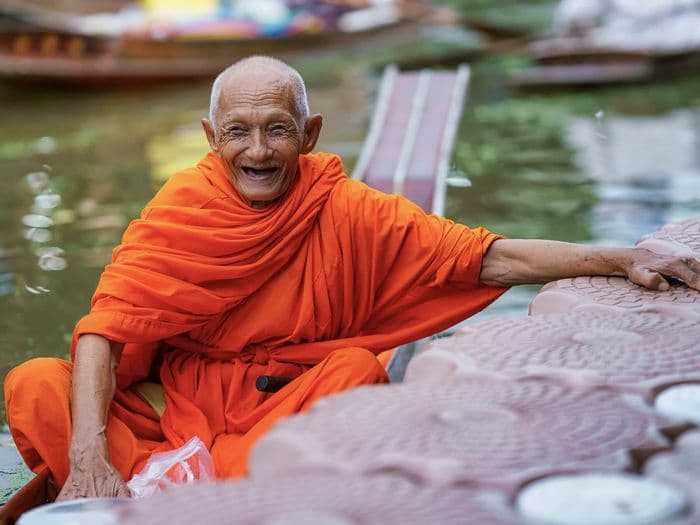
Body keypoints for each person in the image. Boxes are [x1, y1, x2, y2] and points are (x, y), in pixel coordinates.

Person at [5, 56, 699, 501]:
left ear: (309, 135)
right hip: (182, 410)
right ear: (210, 137)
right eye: (237, 132)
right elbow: (105, 329)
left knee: (353, 371)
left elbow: (486, 256)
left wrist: (618, 257)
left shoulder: (345, 206)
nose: (257, 150)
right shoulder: (182, 205)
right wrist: (92, 454)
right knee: (38, 381)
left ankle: (206, 496)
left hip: (281, 404)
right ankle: (145, 488)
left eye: (276, 130)